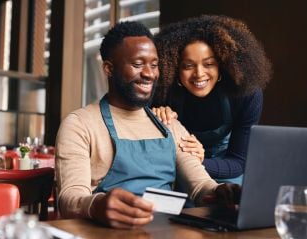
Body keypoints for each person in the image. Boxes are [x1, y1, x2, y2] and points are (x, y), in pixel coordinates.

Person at [55, 21, 239, 229]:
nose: (149, 74)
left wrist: (220, 192)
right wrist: (96, 205)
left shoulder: (169, 124)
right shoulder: (80, 124)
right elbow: (69, 199)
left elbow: (200, 187)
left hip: (164, 232)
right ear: (109, 69)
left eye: (154, 64)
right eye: (137, 64)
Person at [152, 15, 272, 185]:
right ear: (174, 68)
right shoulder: (163, 94)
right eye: (188, 66)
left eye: (208, 64)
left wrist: (200, 160)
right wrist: (155, 118)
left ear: (222, 64)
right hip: (179, 170)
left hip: (227, 172)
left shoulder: (246, 95)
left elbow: (238, 162)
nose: (199, 74)